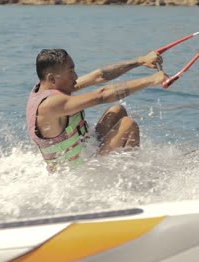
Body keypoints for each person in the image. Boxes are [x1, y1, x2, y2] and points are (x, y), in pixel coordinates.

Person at [26, 48, 167, 172]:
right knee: (128, 125)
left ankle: (125, 171)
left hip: (85, 152)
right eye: (71, 71)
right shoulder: (51, 104)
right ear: (52, 78)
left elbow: (99, 76)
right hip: (76, 174)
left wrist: (141, 60)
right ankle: (132, 182)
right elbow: (101, 95)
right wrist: (150, 80)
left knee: (117, 111)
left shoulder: (48, 86)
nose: (75, 76)